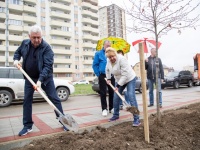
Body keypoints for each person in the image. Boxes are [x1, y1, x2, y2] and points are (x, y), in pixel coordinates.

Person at [13, 24, 67, 136]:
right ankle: (27, 126)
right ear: (29, 36)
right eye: (34, 37)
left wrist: (40, 81)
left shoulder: (47, 48)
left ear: (41, 36)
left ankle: (63, 120)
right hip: (29, 77)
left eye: (39, 37)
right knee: (27, 100)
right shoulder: (25, 43)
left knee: (54, 98)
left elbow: (47, 66)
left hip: (45, 78)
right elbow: (17, 52)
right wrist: (16, 59)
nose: (37, 40)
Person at [105, 47, 140, 126]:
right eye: (110, 57)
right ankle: (116, 115)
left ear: (115, 54)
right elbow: (107, 69)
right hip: (119, 79)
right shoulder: (108, 61)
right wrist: (108, 78)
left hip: (129, 78)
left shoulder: (122, 59)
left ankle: (136, 119)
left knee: (131, 95)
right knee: (116, 97)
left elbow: (125, 75)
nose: (112, 58)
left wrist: (118, 85)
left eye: (113, 56)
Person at [92, 40, 115, 117]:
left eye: (110, 46)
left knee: (112, 92)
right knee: (103, 92)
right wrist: (99, 74)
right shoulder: (98, 53)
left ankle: (112, 108)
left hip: (111, 75)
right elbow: (95, 65)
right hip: (102, 75)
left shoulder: (112, 54)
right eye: (107, 45)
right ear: (104, 45)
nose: (108, 47)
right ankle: (104, 109)